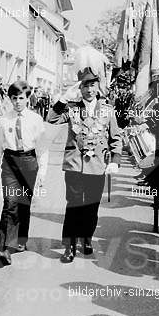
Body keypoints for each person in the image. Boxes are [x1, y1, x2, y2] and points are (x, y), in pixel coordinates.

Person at [47, 61, 122, 263]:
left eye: (92, 85)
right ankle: (69, 246)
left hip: (97, 165)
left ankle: (87, 237)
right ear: (79, 88)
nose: (89, 90)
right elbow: (51, 119)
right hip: (74, 164)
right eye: (85, 86)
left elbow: (116, 137)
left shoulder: (107, 110)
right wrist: (63, 99)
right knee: (73, 206)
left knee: (91, 206)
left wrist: (115, 159)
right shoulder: (72, 109)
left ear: (98, 87)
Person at [0, 80, 48, 266]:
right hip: (10, 163)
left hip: (29, 162)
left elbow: (42, 148)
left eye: (21, 98)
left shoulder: (36, 120)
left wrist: (42, 173)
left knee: (24, 204)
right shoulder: (4, 119)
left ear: (28, 98)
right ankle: (5, 246)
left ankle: (21, 239)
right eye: (14, 98)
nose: (17, 102)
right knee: (10, 203)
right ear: (10, 99)